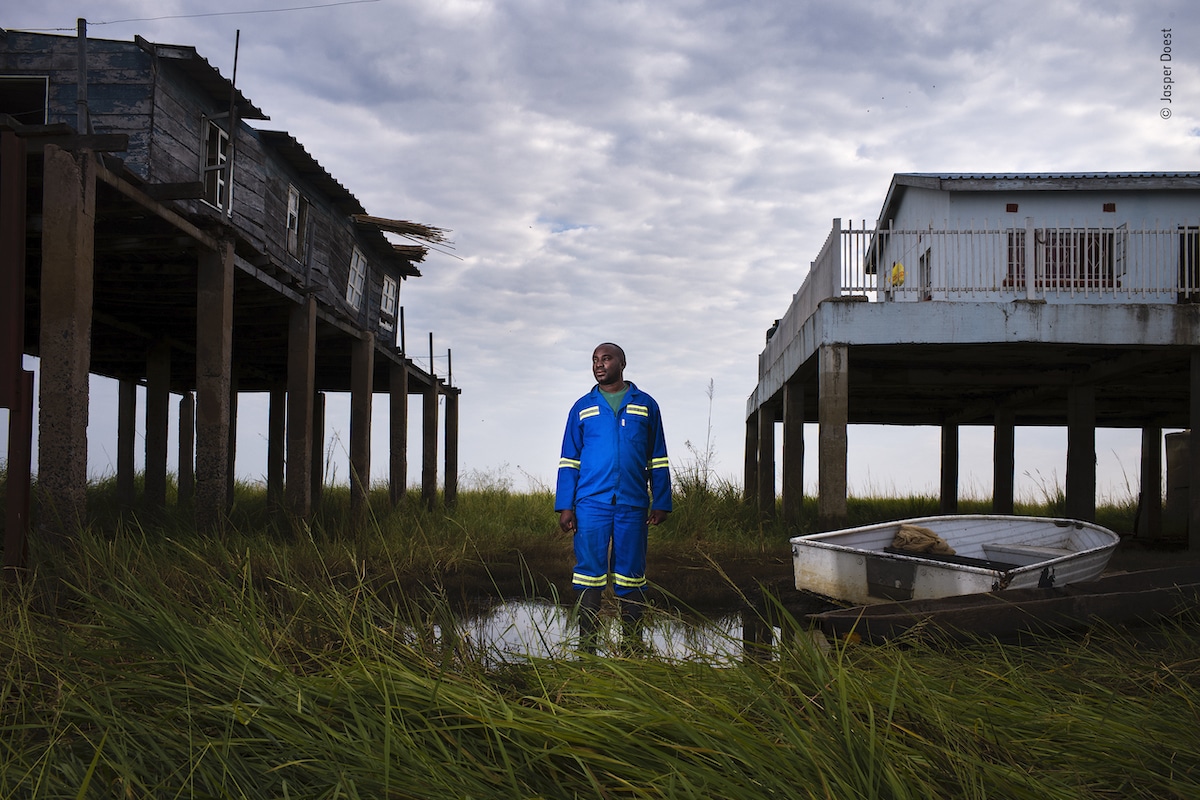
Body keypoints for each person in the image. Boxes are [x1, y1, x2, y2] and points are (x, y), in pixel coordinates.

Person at [555, 342, 672, 654]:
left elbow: (657, 458)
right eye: (595, 360)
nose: (599, 364)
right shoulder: (582, 407)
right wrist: (566, 505)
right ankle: (587, 647)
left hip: (632, 503)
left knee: (631, 574)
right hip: (591, 502)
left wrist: (661, 500)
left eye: (606, 359)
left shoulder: (646, 405)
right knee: (588, 572)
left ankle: (632, 646)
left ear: (622, 363)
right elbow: (570, 460)